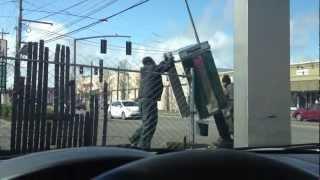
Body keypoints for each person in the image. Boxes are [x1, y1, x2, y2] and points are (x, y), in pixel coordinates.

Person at [129, 55, 173, 149]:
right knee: (150, 125)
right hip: (149, 101)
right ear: (151, 62)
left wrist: (164, 61)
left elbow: (160, 66)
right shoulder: (153, 68)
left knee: (146, 123)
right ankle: (143, 147)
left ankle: (134, 139)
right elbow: (165, 67)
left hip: (142, 101)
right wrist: (170, 60)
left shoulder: (145, 71)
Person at [213, 74, 234, 148]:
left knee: (227, 120)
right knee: (230, 120)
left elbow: (224, 96)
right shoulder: (233, 85)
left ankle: (226, 138)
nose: (223, 84)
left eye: (223, 82)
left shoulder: (228, 87)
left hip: (231, 106)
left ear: (225, 82)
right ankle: (227, 137)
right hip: (234, 106)